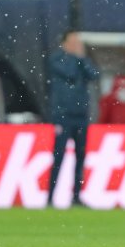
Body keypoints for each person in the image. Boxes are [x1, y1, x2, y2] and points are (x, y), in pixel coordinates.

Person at [47, 31, 99, 207]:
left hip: (80, 116)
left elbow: (94, 74)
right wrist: (78, 58)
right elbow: (68, 72)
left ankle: (76, 196)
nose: (76, 45)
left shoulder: (82, 60)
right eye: (73, 41)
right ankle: (50, 197)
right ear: (64, 43)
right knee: (58, 156)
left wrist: (82, 58)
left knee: (80, 157)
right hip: (63, 116)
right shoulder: (57, 59)